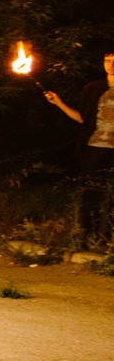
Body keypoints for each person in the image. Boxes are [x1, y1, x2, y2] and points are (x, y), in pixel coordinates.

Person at [46, 49, 114, 243]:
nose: (111, 64)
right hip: (94, 148)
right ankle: (87, 236)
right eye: (107, 59)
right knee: (91, 194)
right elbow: (81, 118)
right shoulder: (92, 88)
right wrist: (58, 102)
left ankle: (108, 237)